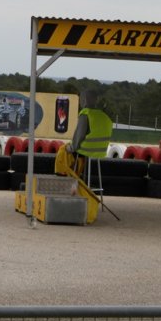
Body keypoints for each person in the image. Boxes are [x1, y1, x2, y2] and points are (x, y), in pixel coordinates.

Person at [54, 91, 113, 223]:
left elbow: (79, 136)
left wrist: (71, 148)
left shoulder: (85, 114)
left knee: (63, 151)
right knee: (74, 153)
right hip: (101, 151)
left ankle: (67, 180)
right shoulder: (103, 114)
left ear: (84, 100)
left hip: (86, 149)